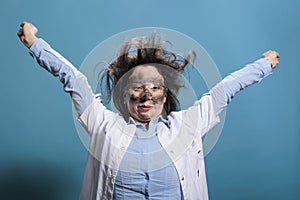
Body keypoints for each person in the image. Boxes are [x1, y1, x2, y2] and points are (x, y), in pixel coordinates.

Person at [17, 21, 280, 200]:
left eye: (155, 87)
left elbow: (226, 89)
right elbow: (74, 80)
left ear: (166, 94)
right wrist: (34, 43)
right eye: (136, 86)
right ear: (123, 92)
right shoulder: (102, 124)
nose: (146, 94)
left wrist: (264, 65)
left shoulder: (189, 123)